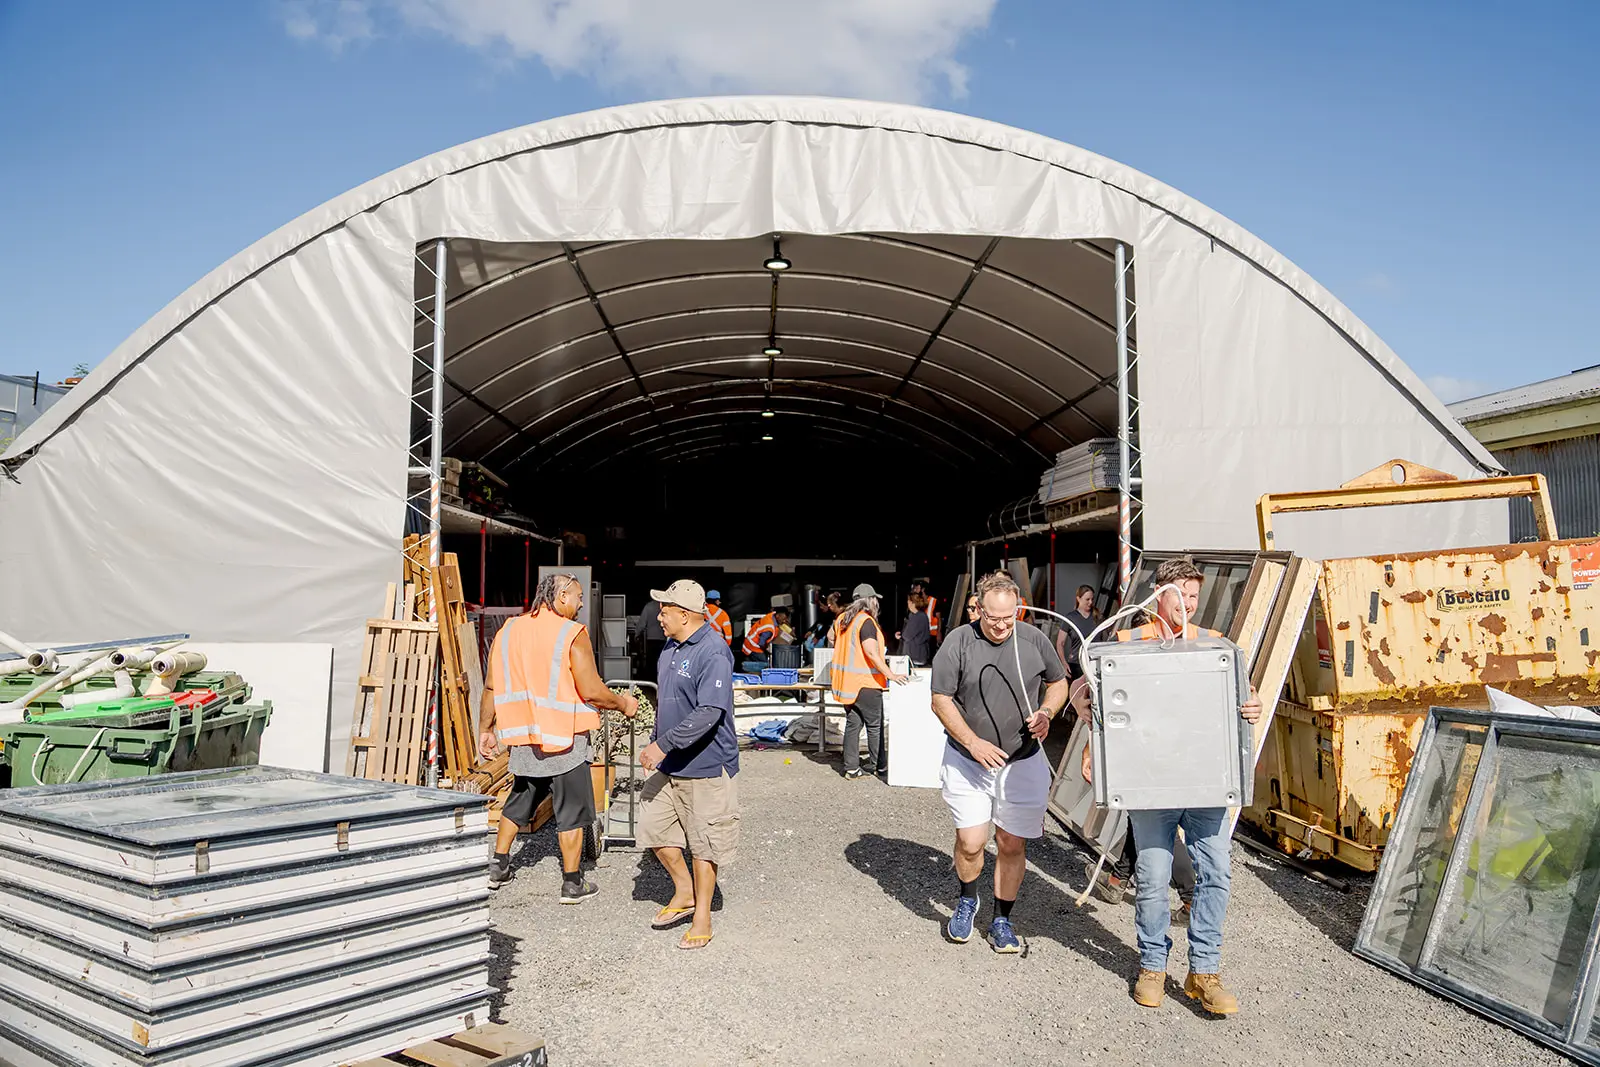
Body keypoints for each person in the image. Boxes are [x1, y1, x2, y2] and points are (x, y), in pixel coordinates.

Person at [1098, 556, 1261, 1015]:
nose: (1188, 604)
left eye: (1194, 596)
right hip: (1152, 786)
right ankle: (1152, 965)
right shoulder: (1127, 644)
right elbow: (1092, 697)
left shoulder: (1214, 646)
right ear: (1158, 595)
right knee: (1151, 878)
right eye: (1181, 595)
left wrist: (1251, 705)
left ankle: (1203, 971)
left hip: (1204, 782)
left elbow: (1241, 698)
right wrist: (1094, 747)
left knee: (1217, 874)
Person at [929, 571, 1069, 952]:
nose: (1001, 625)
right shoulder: (959, 642)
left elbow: (1059, 683)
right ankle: (967, 898)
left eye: (1009, 617)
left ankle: (1002, 918)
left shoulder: (1033, 639)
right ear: (978, 609)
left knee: (1010, 843)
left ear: (1018, 609)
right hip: (968, 761)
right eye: (993, 617)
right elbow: (939, 698)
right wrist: (972, 742)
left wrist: (1046, 713)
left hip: (1022, 760)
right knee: (972, 841)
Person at [479, 572, 637, 902]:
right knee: (572, 811)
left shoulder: (509, 630)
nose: (581, 604)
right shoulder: (571, 633)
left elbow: (492, 686)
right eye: (578, 596)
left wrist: (485, 728)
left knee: (520, 798)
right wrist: (624, 703)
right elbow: (592, 690)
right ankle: (572, 882)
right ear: (562, 595)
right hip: (565, 737)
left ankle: (498, 866)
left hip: (524, 736)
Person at [636, 579, 739, 950]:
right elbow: (668, 702)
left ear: (684, 614)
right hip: (671, 760)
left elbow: (710, 712)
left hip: (707, 764)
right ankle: (684, 891)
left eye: (664, 610)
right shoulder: (670, 647)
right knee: (651, 826)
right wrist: (654, 737)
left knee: (703, 843)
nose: (658, 616)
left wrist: (663, 745)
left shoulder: (713, 651)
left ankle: (702, 918)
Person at [829, 588, 908, 780]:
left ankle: (851, 768)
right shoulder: (866, 621)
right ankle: (878, 766)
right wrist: (891, 674)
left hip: (848, 684)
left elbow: (831, 637)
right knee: (874, 726)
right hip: (866, 683)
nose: (877, 603)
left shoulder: (843, 619)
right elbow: (871, 653)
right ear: (870, 600)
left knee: (853, 724)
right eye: (875, 599)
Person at [1054, 584, 1099, 676]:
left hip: (1095, 661)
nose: (1090, 602)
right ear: (1078, 599)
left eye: (1092, 599)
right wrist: (1063, 663)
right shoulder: (1070, 618)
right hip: (1077, 664)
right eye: (1087, 599)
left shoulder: (1098, 616)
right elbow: (1060, 643)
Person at [740, 605, 789, 672]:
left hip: (752, 643)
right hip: (753, 647)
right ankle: (745, 666)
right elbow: (761, 643)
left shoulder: (772, 616)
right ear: (778, 616)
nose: (784, 621)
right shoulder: (769, 629)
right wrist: (770, 650)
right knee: (767, 665)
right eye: (783, 619)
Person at [897, 592, 934, 667]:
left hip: (915, 656)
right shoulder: (920, 616)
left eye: (908, 601)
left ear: (912, 603)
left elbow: (907, 635)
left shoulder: (917, 617)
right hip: (918, 655)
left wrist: (901, 636)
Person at [911, 579, 942, 645]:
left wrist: (939, 633)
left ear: (923, 589)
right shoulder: (915, 601)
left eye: (917, 588)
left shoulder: (934, 601)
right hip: (919, 634)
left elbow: (939, 618)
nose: (915, 590)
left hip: (931, 634)